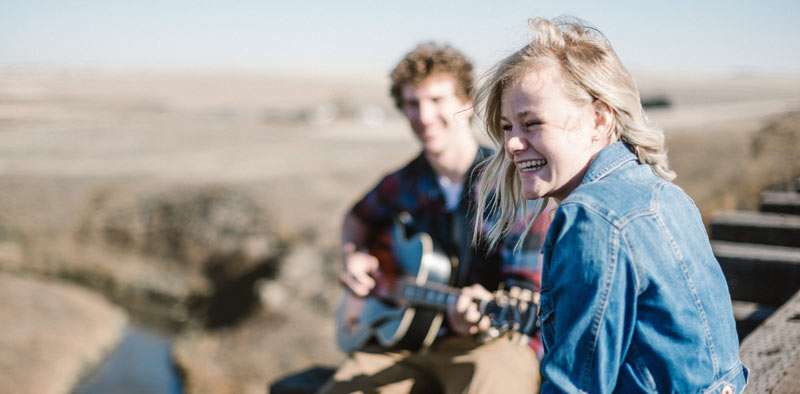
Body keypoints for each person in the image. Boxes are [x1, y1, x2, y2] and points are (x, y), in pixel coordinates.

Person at [473, 17, 748, 393]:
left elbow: (575, 386)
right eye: (507, 128)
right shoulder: (665, 194)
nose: (512, 145)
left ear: (599, 120)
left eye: (532, 123)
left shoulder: (590, 217)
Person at [320, 42, 550, 394]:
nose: (424, 116)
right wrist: (354, 255)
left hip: (490, 343)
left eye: (437, 101)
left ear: (467, 103)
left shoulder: (515, 185)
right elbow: (358, 217)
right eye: (412, 104)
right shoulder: (405, 181)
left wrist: (480, 316)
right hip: (405, 342)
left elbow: (524, 292)